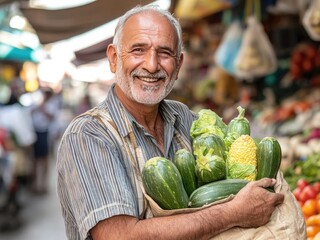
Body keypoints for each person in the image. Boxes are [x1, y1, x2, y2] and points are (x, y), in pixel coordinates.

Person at [57, 4, 304, 240]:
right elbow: (118, 235)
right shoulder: (89, 135)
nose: (152, 65)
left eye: (164, 53)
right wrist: (233, 213)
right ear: (113, 58)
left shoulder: (184, 118)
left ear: (178, 65)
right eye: (138, 50)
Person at [30, 87, 60, 193]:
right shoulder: (35, 101)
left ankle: (44, 184)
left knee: (45, 159)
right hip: (36, 132)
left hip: (46, 133)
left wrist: (43, 109)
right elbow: (29, 113)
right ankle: (35, 184)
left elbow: (53, 117)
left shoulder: (52, 104)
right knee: (36, 159)